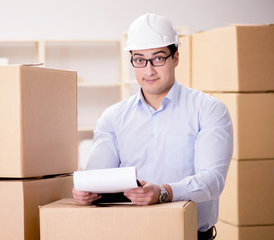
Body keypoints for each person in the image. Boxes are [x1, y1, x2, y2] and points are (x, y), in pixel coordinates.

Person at [72, 13, 233, 240]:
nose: (149, 71)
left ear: (175, 57)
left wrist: (164, 192)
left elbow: (213, 180)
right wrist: (85, 193)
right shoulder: (113, 117)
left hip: (189, 235)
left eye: (158, 58)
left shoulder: (208, 110)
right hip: (129, 233)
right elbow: (97, 178)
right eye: (139, 59)